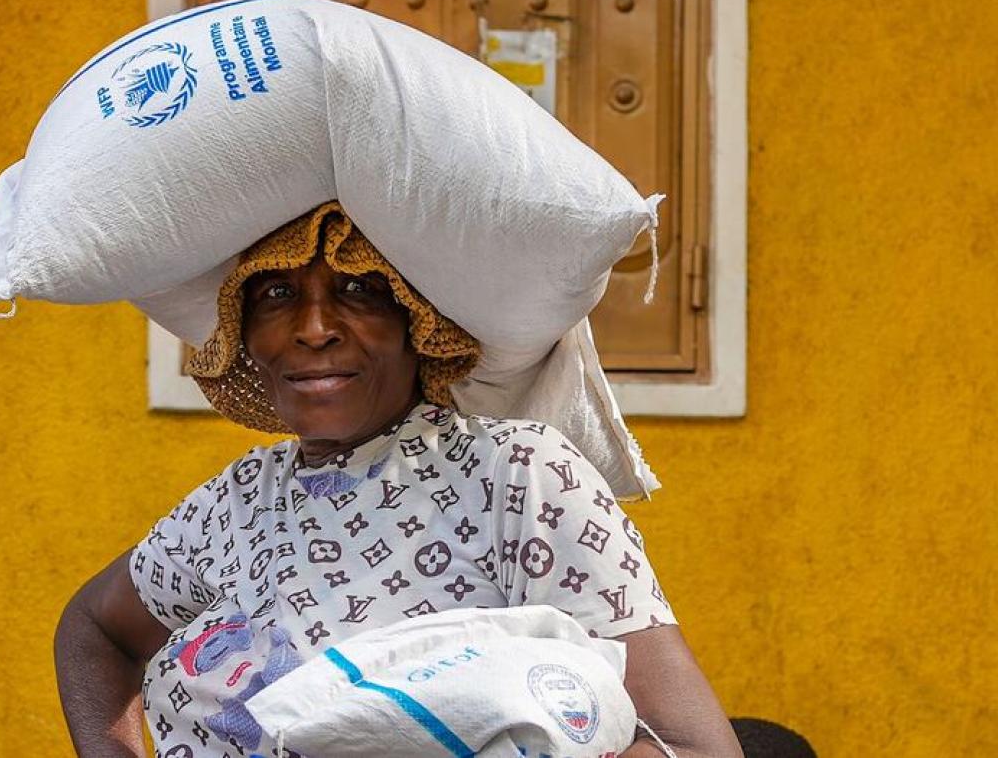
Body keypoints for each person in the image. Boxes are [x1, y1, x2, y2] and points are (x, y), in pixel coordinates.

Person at [55, 203, 740, 758]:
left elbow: (691, 746)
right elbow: (92, 630)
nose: (314, 328)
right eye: (276, 294)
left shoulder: (518, 476)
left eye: (360, 290)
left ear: (419, 323)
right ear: (247, 334)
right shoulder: (234, 503)